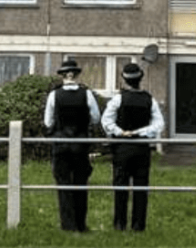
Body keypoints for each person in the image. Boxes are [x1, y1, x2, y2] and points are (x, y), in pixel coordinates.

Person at [101, 61, 165, 232]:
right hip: (142, 148)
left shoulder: (118, 99)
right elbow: (159, 124)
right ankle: (138, 226)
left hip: (122, 147)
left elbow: (106, 121)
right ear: (140, 79)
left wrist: (121, 132)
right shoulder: (149, 99)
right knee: (141, 188)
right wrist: (141, 132)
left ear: (124, 80)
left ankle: (119, 224)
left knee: (120, 187)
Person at [43, 56, 101, 232]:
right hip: (80, 144)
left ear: (62, 75)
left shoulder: (54, 94)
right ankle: (81, 225)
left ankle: (67, 225)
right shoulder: (87, 93)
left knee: (63, 184)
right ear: (76, 75)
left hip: (61, 145)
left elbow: (47, 122)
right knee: (80, 184)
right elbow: (96, 118)